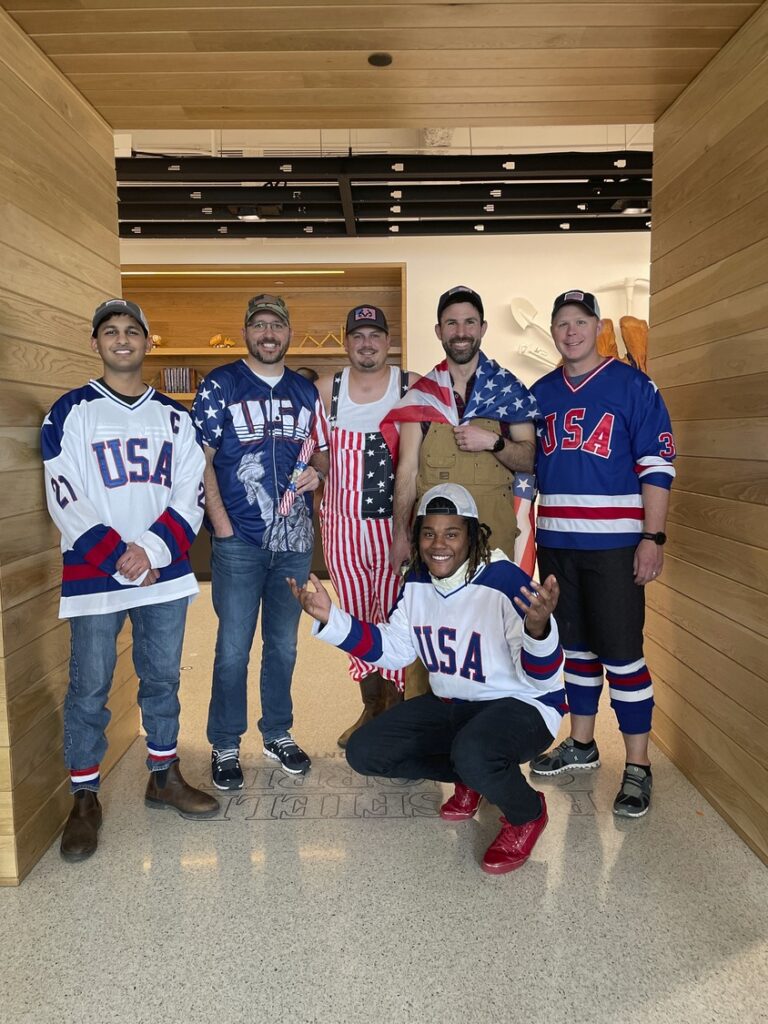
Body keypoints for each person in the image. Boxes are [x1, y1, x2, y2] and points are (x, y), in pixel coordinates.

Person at [289, 483, 566, 875]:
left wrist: (539, 630)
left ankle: (527, 813)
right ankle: (472, 775)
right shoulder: (417, 582)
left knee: (474, 751)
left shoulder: (506, 581)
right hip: (453, 702)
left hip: (523, 706)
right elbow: (397, 648)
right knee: (366, 752)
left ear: (472, 536)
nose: (440, 544)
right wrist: (332, 619)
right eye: (429, 533)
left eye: (452, 533)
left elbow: (542, 678)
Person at [42, 298, 219, 863]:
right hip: (95, 574)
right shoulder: (69, 412)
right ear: (95, 343)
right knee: (90, 687)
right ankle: (85, 798)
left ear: (148, 342)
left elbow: (190, 492)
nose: (122, 340)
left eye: (132, 331)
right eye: (110, 332)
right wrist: (119, 554)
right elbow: (63, 492)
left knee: (162, 679)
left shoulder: (176, 418)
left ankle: (163, 776)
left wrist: (149, 550)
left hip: (161, 576)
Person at [529, 290, 676, 818]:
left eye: (581, 322)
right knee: (576, 652)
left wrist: (652, 539)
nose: (571, 331)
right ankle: (583, 744)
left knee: (622, 655)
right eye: (562, 323)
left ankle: (637, 765)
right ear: (554, 331)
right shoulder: (540, 392)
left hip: (614, 546)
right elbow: (528, 468)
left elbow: (657, 468)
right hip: (557, 544)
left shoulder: (634, 386)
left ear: (596, 326)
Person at [192, 294, 329, 788]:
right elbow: (200, 459)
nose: (268, 333)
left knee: (284, 646)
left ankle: (277, 733)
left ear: (289, 333)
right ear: (246, 331)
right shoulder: (220, 385)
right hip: (240, 541)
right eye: (260, 325)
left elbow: (324, 458)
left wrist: (316, 473)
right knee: (232, 647)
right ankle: (225, 743)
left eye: (277, 325)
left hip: (293, 540)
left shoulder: (306, 392)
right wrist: (221, 523)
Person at [382, 284, 540, 706]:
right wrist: (401, 534)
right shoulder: (421, 397)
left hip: (494, 537)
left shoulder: (509, 391)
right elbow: (407, 471)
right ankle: (421, 725)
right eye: (452, 322)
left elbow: (529, 459)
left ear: (483, 328)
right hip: (433, 540)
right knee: (424, 636)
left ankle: (490, 728)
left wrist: (494, 443)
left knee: (494, 633)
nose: (461, 330)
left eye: (470, 321)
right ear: (439, 331)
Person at [316, 305, 419, 747]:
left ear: (388, 340)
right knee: (355, 616)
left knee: (396, 616)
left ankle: (396, 712)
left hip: (394, 527)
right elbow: (317, 456)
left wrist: (407, 532)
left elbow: (417, 463)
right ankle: (370, 705)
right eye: (357, 335)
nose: (367, 343)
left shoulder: (410, 386)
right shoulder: (326, 390)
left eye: (375, 334)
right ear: (346, 342)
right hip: (342, 525)